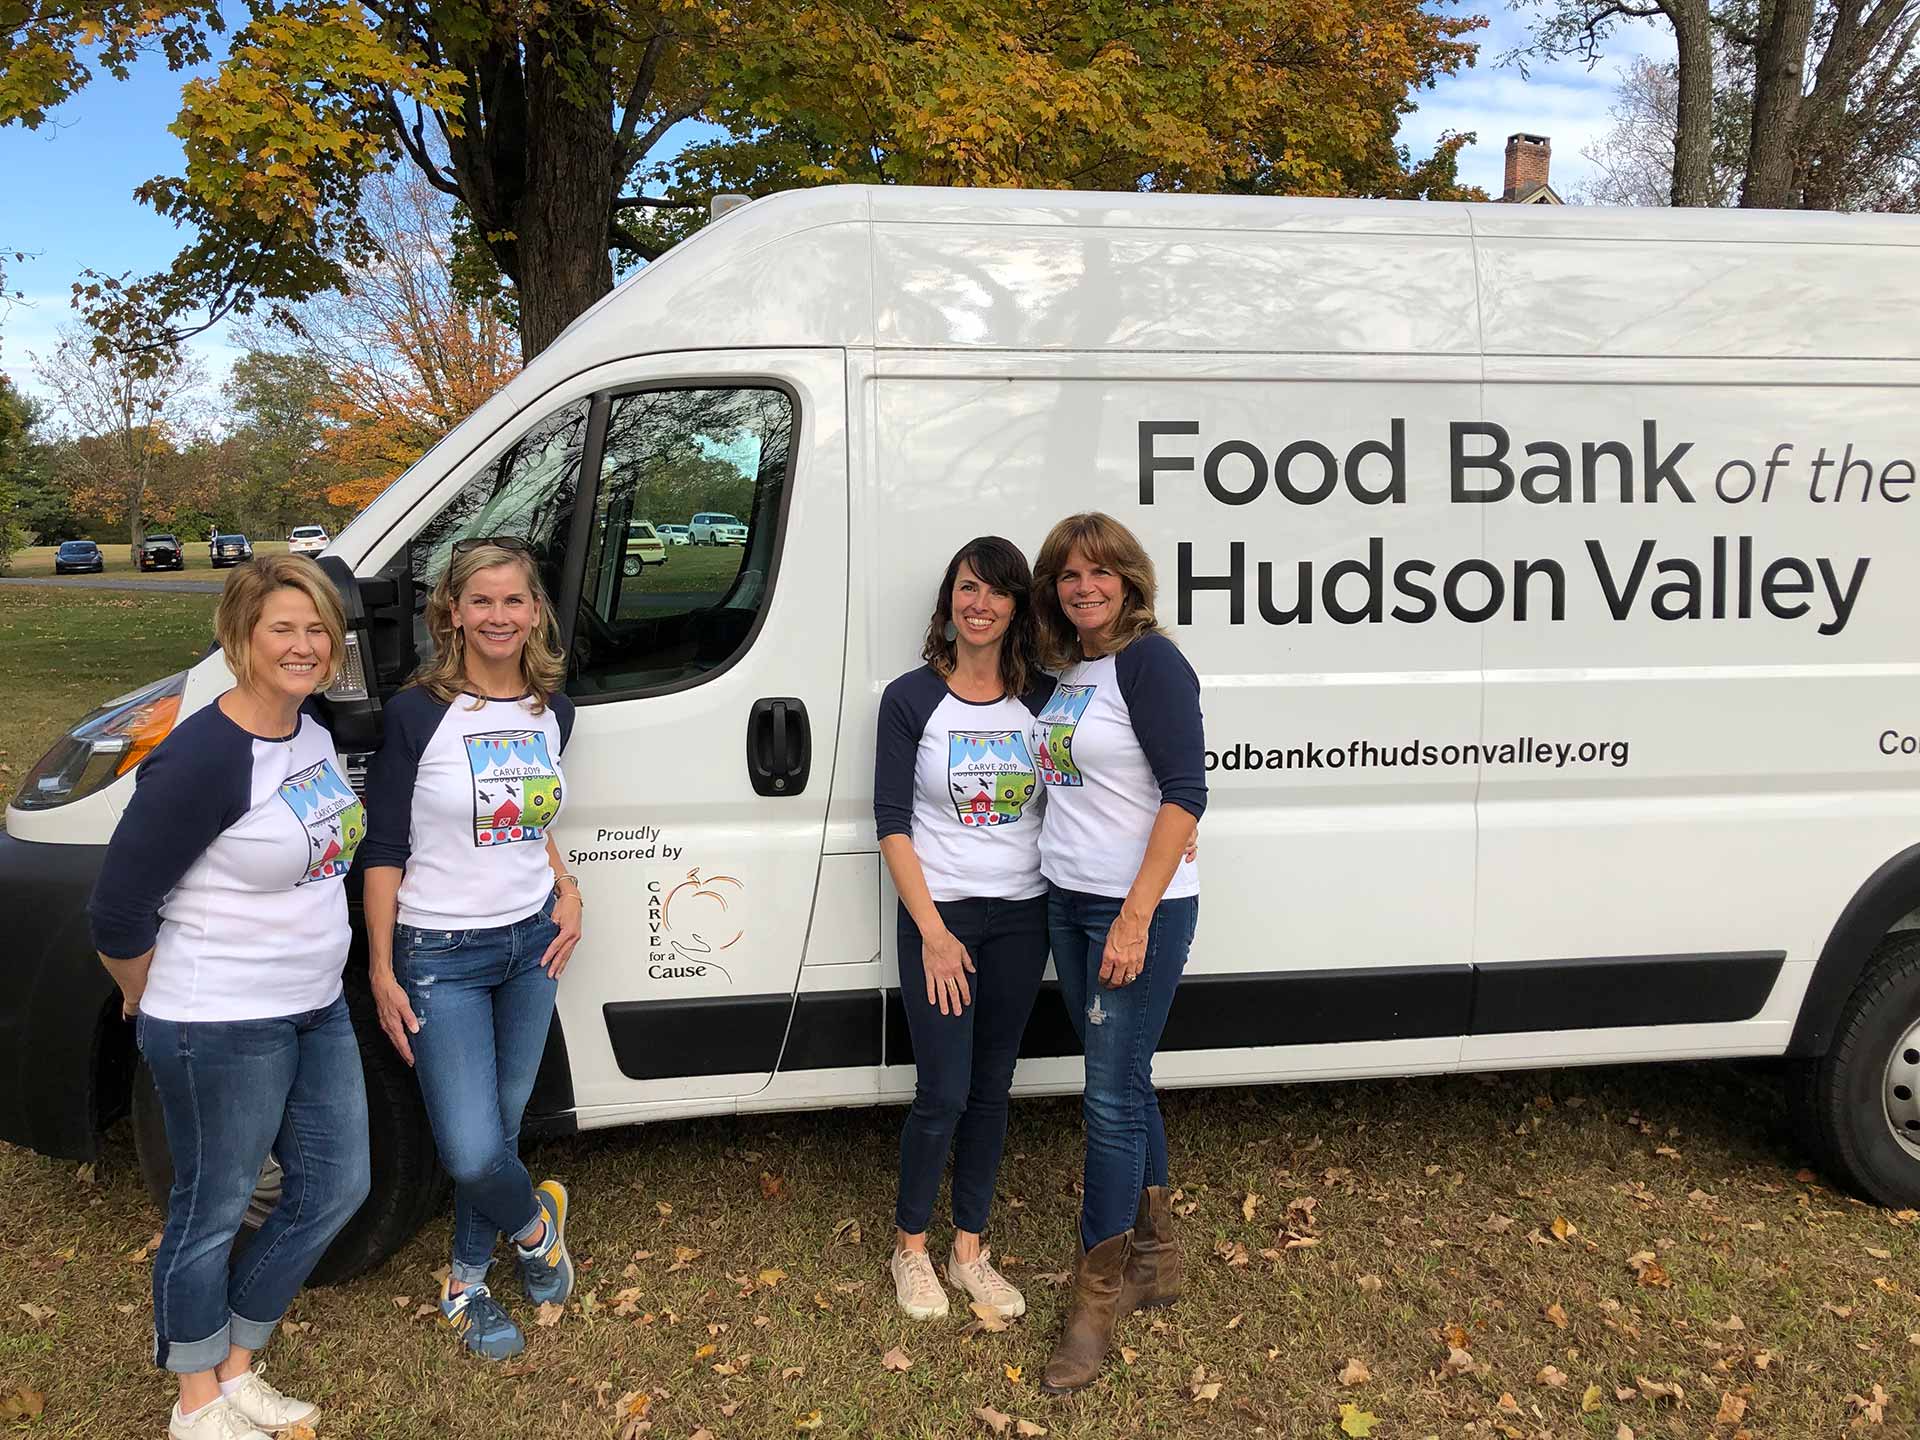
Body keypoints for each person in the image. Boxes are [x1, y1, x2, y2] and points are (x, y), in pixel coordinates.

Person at [90, 555, 372, 1440]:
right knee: (211, 1208)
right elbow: (117, 908)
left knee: (334, 1185)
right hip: (219, 1018)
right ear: (240, 638)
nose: (303, 645)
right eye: (281, 628)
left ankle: (237, 1367)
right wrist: (146, 997)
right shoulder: (204, 755)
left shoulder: (313, 733)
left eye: (317, 628)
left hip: (314, 1003)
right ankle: (194, 1402)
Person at [359, 538, 583, 1360]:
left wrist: (569, 888)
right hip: (439, 954)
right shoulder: (418, 713)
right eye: (481, 601)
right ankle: (535, 1231)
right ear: (452, 611)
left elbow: (534, 819)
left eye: (513, 601)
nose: (498, 616)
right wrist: (382, 968)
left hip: (532, 946)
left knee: (499, 1127)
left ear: (535, 613)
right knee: (469, 1146)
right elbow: (383, 847)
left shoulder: (553, 711)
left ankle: (464, 1280)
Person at [1029, 512, 1207, 1394]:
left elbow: (1186, 794)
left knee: (1106, 1099)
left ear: (1131, 580)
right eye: (1067, 575)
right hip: (1070, 900)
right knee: (1126, 1080)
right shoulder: (1074, 674)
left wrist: (1136, 915)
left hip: (1130, 912)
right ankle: (1158, 1256)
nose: (1084, 587)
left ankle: (1095, 1303)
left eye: (1100, 572)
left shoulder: (1152, 662)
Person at [874, 537, 1056, 1323]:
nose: (979, 604)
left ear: (1017, 607)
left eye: (996, 592)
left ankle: (970, 1250)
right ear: (949, 601)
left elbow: (1106, 773)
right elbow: (891, 822)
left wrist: (1175, 822)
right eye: (967, 588)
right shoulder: (911, 699)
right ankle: (910, 1249)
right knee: (943, 1090)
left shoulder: (1045, 700)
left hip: (1023, 917)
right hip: (940, 921)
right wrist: (934, 933)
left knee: (991, 1089)